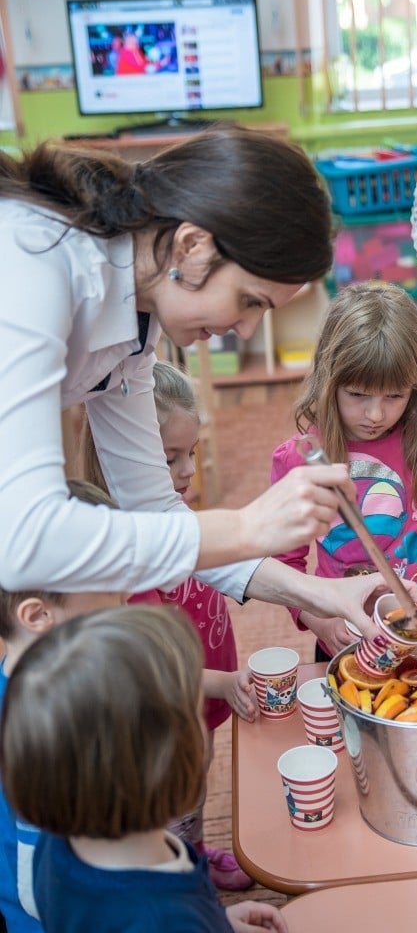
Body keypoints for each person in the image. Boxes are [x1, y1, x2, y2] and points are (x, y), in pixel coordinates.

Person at [0, 123, 417, 644]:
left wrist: (320, 593)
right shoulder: (34, 260)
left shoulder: (134, 324)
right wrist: (247, 527)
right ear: (192, 245)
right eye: (249, 301)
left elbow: (154, 511)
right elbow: (24, 542)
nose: (245, 329)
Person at [0, 605, 287, 933]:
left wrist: (220, 923)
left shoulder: (55, 851)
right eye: (196, 718)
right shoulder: (163, 918)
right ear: (170, 767)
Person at [84, 359, 255, 891]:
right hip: (165, 708)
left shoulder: (179, 522)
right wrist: (224, 682)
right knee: (169, 795)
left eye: (191, 454)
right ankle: (179, 874)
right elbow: (155, 663)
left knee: (195, 783)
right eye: (168, 458)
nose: (186, 471)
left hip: (198, 703)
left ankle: (195, 851)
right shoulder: (130, 554)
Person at [270, 281, 417, 661]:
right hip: (346, 642)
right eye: (357, 394)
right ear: (328, 381)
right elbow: (286, 567)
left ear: (416, 390)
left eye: (394, 396)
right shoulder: (300, 460)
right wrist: (321, 624)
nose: (375, 415)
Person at [0, 479, 127, 933]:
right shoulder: (41, 731)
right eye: (109, 598)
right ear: (38, 616)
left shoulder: (65, 685)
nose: (124, 608)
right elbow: (48, 886)